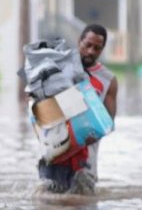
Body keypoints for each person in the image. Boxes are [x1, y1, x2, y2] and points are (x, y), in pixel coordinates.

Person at [38, 23, 118, 194]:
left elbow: (109, 123)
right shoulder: (58, 68)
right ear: (79, 41)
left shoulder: (108, 80)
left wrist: (95, 133)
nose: (91, 51)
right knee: (47, 207)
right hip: (55, 152)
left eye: (97, 48)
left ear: (102, 50)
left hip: (85, 160)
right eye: (87, 45)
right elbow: (38, 107)